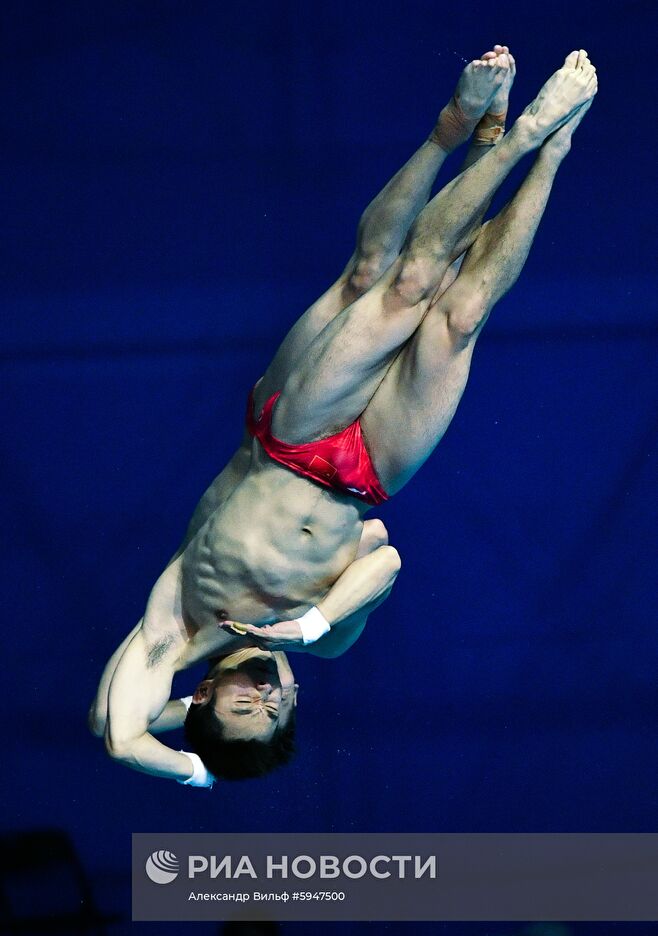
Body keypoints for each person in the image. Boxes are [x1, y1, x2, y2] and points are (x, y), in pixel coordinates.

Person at [88, 47, 597, 784]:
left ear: (201, 693)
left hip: (290, 441)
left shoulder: (176, 625)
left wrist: (201, 773)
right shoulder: (321, 645)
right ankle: (553, 148)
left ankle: (500, 136)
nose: (265, 695)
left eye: (243, 706)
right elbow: (383, 553)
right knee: (461, 314)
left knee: (403, 282)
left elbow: (116, 730)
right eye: (278, 710)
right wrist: (309, 624)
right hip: (368, 472)